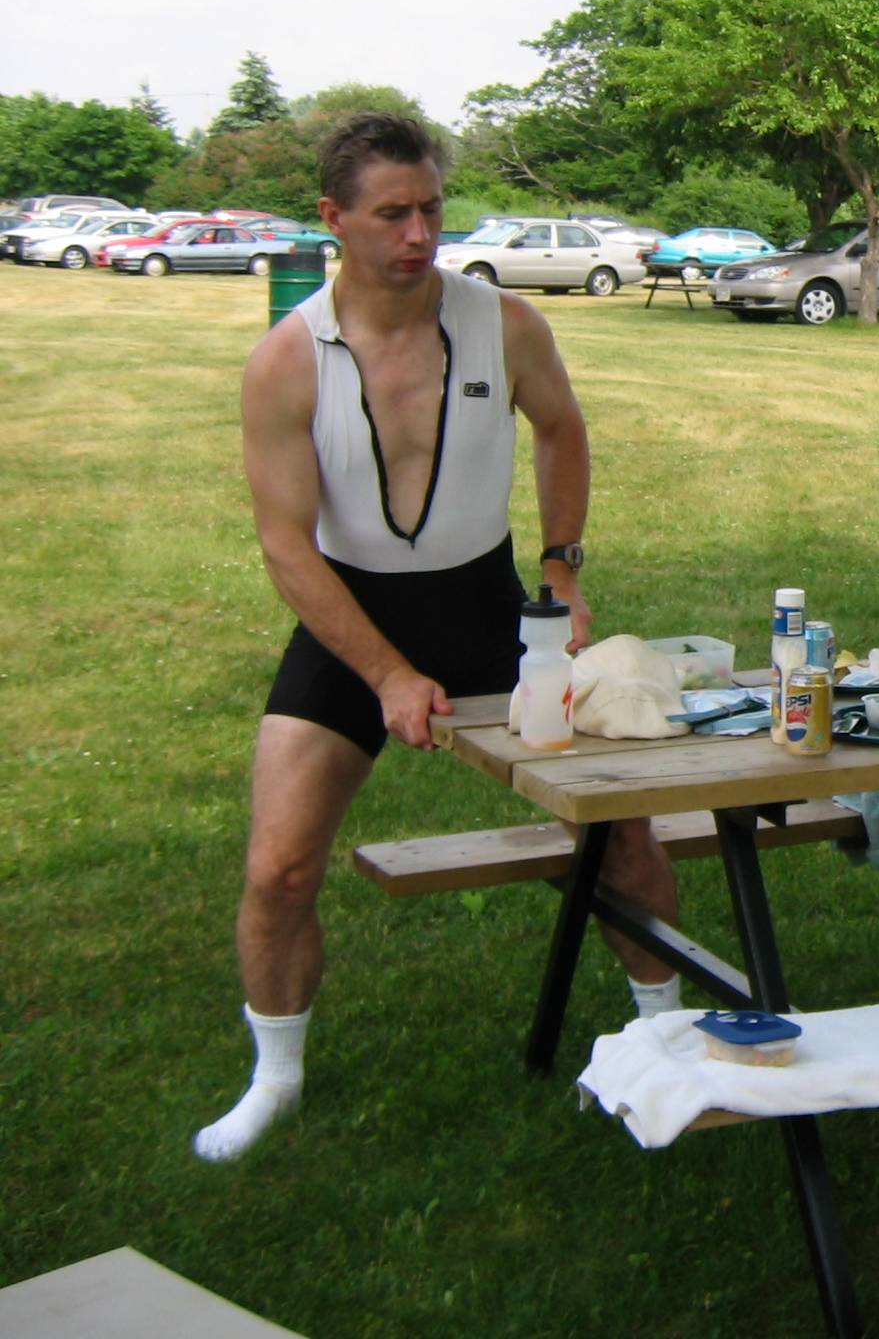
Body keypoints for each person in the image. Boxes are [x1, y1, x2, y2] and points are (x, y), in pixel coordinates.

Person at [196, 113, 681, 1162]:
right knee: (278, 869)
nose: (418, 235)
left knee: (622, 830)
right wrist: (384, 673)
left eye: (430, 210)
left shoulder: (502, 324)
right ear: (333, 219)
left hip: (487, 604)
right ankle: (273, 1077)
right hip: (349, 620)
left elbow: (562, 426)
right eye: (391, 215)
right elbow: (286, 547)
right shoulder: (286, 361)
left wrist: (561, 566)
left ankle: (668, 1041)